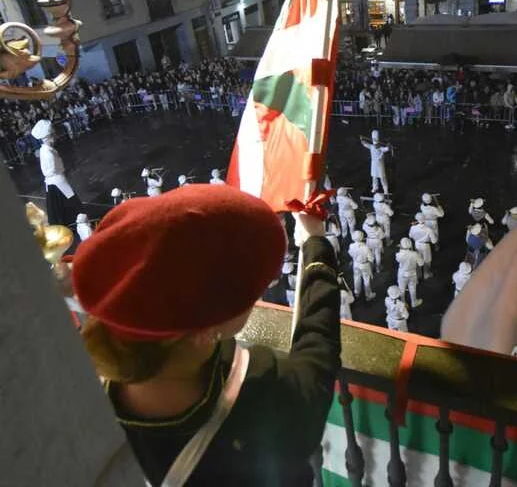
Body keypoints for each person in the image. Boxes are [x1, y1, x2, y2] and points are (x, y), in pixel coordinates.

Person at [71, 184, 340, 486]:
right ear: (204, 333)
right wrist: (316, 245)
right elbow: (317, 359)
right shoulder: (260, 397)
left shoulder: (77, 391)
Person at [31, 119, 83, 227]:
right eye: (52, 135)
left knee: (58, 207)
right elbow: (52, 169)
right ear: (48, 137)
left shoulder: (46, 149)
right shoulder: (47, 152)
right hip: (57, 180)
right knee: (71, 201)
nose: (54, 137)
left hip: (55, 180)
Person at [395, 238, 424, 308]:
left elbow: (398, 260)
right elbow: (421, 263)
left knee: (401, 289)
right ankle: (414, 302)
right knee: (412, 288)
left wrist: (401, 249)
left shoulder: (399, 254)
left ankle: (403, 303)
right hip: (412, 273)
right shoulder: (415, 254)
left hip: (402, 274)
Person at [348, 230, 375, 301]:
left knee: (356, 278)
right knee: (366, 280)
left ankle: (357, 292)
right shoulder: (366, 247)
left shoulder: (351, 246)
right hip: (365, 265)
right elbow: (371, 258)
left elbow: (350, 253)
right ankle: (368, 295)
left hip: (356, 264)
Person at [360, 130, 390, 194]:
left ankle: (385, 189)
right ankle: (375, 187)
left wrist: (388, 146)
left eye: (376, 145)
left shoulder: (381, 148)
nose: (375, 146)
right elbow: (364, 144)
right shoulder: (371, 146)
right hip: (374, 164)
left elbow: (387, 149)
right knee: (374, 177)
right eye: (375, 144)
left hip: (380, 165)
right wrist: (362, 139)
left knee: (382, 177)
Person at [408, 213, 435, 280]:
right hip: (426, 245)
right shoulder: (429, 229)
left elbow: (410, 236)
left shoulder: (413, 227)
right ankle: (426, 274)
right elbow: (434, 241)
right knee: (427, 260)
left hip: (417, 244)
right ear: (425, 219)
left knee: (418, 259)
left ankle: (418, 275)